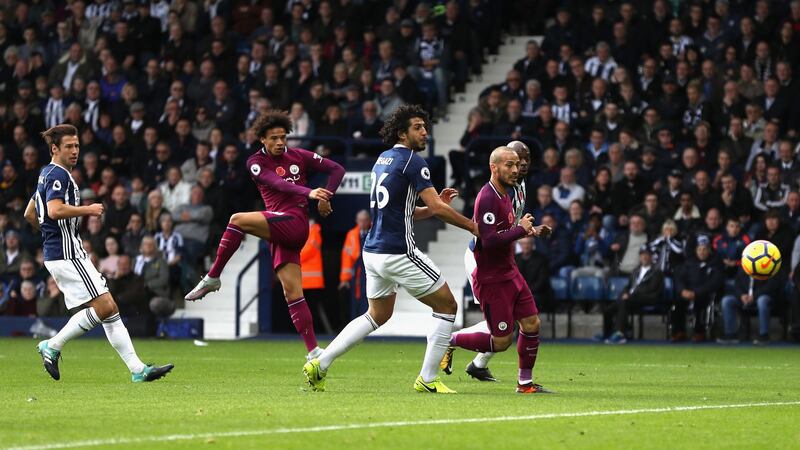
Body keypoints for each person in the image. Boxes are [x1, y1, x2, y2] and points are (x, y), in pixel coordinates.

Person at [303, 105, 478, 394]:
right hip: (398, 251)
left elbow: (405, 210)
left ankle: (321, 363)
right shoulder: (413, 160)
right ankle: (428, 378)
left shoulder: (383, 159)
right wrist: (472, 226)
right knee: (447, 306)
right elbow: (433, 206)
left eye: (425, 126)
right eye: (418, 127)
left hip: (373, 251)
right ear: (402, 133)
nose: (425, 132)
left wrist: (436, 208)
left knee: (377, 315)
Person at [185, 110, 346, 360]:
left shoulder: (299, 156)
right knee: (293, 293)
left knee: (236, 220)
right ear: (262, 139)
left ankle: (213, 276)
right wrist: (310, 192)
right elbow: (278, 184)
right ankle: (314, 351)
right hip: (279, 228)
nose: (280, 142)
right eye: (274, 138)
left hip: (295, 223)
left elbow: (337, 169)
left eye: (283, 137)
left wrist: (327, 196)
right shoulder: (255, 163)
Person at [25, 124, 172, 382]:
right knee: (105, 307)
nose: (74, 151)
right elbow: (54, 211)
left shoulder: (44, 174)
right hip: (67, 253)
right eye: (69, 146)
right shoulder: (57, 175)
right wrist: (88, 210)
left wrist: (50, 236)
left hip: (61, 252)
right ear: (54, 149)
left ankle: (138, 370)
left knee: (110, 309)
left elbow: (30, 214)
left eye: (77, 146)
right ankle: (53, 345)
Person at [442, 146, 552, 393]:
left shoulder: (508, 192)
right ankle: (449, 340)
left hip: (509, 269)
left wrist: (530, 230)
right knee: (502, 340)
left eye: (521, 162)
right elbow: (489, 240)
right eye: (512, 163)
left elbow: (507, 228)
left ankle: (525, 384)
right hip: (491, 275)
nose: (517, 168)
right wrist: (522, 230)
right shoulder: (489, 196)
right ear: (495, 167)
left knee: (532, 323)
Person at [600, 245, 665, 344]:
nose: (644, 257)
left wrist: (630, 295)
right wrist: (624, 293)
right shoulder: (636, 271)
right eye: (642, 254)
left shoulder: (656, 272)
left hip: (648, 298)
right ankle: (607, 333)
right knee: (608, 309)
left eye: (647, 254)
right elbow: (628, 286)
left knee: (624, 302)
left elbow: (650, 289)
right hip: (632, 298)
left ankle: (620, 333)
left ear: (651, 256)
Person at [671, 235, 724, 342]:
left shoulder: (715, 264)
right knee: (677, 304)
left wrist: (696, 293)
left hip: (703, 294)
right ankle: (679, 332)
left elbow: (714, 283)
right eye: (699, 249)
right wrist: (682, 290)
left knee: (700, 304)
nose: (702, 252)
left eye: (705, 249)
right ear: (696, 250)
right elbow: (679, 278)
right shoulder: (689, 264)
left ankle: (699, 332)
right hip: (687, 293)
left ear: (709, 250)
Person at [718, 268, 782, 345]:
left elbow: (770, 287)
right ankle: (730, 334)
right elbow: (737, 286)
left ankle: (764, 335)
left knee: (762, 300)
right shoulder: (744, 269)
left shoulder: (768, 268)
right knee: (727, 300)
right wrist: (741, 295)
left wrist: (754, 296)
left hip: (762, 297)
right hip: (744, 299)